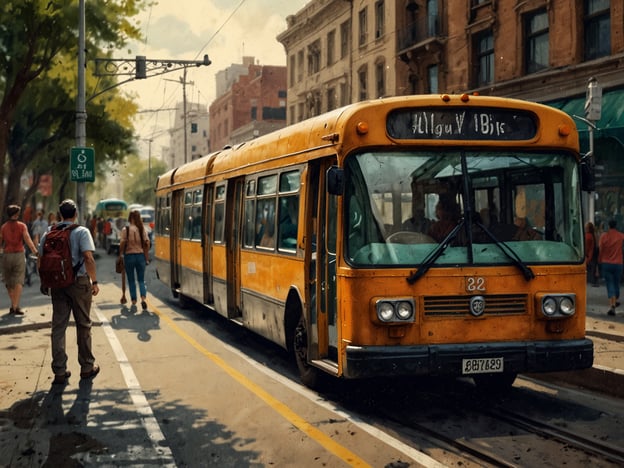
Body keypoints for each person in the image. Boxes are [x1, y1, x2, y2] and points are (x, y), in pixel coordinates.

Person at [38, 199, 100, 385]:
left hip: (57, 284)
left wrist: (44, 282)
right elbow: (88, 258)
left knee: (58, 327)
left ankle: (59, 370)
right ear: (75, 214)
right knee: (83, 325)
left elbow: (40, 259)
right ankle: (87, 367)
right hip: (79, 283)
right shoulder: (82, 231)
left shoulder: (49, 233)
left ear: (60, 215)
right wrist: (94, 281)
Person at [0, 205, 38, 315]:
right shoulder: (22, 226)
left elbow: (1, 242)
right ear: (16, 214)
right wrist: (35, 251)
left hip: (7, 255)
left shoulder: (3, 227)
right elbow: (27, 239)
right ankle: (15, 306)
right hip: (19, 255)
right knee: (19, 280)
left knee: (8, 282)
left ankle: (14, 305)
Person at [119, 209, 150, 311]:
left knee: (131, 280)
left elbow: (122, 243)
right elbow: (147, 243)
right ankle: (143, 298)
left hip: (129, 257)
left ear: (130, 218)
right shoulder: (142, 229)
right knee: (141, 280)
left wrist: (120, 253)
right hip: (140, 256)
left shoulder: (126, 229)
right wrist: (146, 256)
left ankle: (133, 300)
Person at [598, 218, 624, 316]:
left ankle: (612, 305)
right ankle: (615, 299)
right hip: (618, 263)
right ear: (616, 225)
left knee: (609, 284)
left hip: (606, 263)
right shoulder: (621, 236)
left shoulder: (604, 236)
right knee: (616, 283)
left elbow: (600, 249)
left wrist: (599, 262)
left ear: (608, 226)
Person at [585, 221, 600, 287]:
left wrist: (586, 256)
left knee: (590, 268)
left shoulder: (587, 236)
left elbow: (587, 247)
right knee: (593, 268)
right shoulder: (594, 235)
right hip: (594, 254)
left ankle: (591, 280)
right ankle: (594, 280)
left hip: (589, 255)